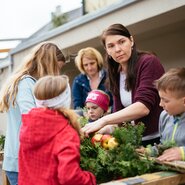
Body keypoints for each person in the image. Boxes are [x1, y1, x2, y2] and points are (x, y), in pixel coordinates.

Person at [82, 23, 165, 146]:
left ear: (131, 41)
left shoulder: (148, 62)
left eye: (121, 42)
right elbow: (119, 117)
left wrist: (103, 120)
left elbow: (143, 107)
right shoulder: (115, 73)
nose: (117, 49)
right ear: (107, 51)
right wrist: (102, 130)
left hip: (159, 140)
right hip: (135, 141)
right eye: (111, 46)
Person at [0, 42, 65, 185]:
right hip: (21, 162)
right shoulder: (25, 83)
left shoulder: (28, 82)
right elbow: (32, 118)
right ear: (48, 64)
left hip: (23, 160)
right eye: (57, 69)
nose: (57, 74)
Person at [18, 75, 96, 185]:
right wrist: (90, 179)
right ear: (66, 100)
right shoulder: (66, 133)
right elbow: (69, 177)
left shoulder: (28, 125)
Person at [144, 67, 185, 162]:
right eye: (160, 99)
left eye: (165, 100)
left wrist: (182, 153)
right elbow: (164, 146)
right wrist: (149, 151)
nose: (160, 104)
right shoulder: (164, 116)